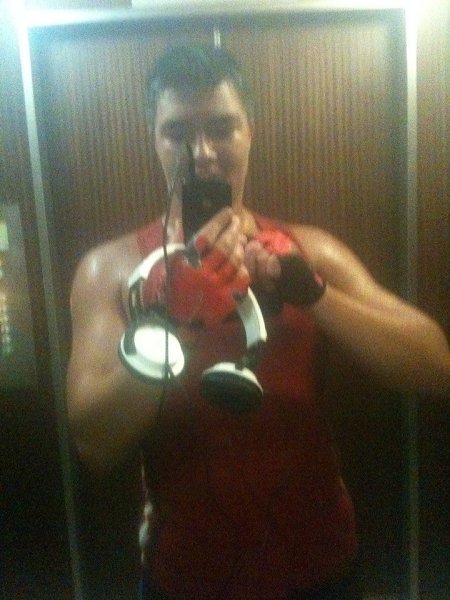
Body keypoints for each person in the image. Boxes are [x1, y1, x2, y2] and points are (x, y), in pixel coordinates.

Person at [66, 45, 450, 600]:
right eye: (177, 132)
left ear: (250, 133)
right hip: (186, 575)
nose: (201, 154)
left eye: (222, 127)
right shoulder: (111, 270)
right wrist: (175, 326)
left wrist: (313, 295)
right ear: (154, 140)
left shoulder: (308, 250)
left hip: (320, 565)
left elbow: (435, 366)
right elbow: (94, 441)